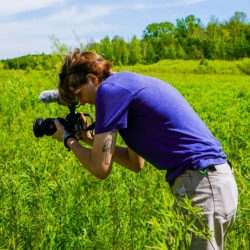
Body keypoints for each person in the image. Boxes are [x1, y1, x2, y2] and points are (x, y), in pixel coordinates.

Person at [52, 50, 238, 249]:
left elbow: (100, 169)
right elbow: (135, 163)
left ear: (92, 79)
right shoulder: (126, 84)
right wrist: (89, 141)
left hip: (201, 185)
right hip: (210, 183)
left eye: (79, 94)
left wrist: (68, 139)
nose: (80, 102)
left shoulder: (108, 92)